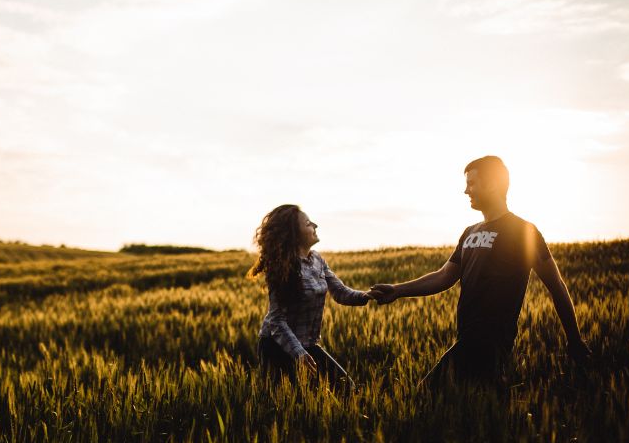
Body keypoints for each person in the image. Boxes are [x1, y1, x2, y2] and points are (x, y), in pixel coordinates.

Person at [370, 156, 592, 390]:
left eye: (472, 183)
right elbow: (444, 276)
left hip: (493, 344)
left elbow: (556, 286)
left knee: (429, 398)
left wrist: (574, 340)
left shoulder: (523, 231)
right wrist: (397, 290)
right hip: (466, 339)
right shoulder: (469, 233)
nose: (466, 191)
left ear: (493, 184)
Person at [248, 204, 374, 391]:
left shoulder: (317, 260)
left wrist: (368, 295)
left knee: (347, 389)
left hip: (307, 344)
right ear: (294, 233)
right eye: (308, 223)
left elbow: (340, 292)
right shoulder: (284, 267)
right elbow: (276, 320)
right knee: (289, 404)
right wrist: (298, 353)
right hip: (277, 346)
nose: (315, 225)